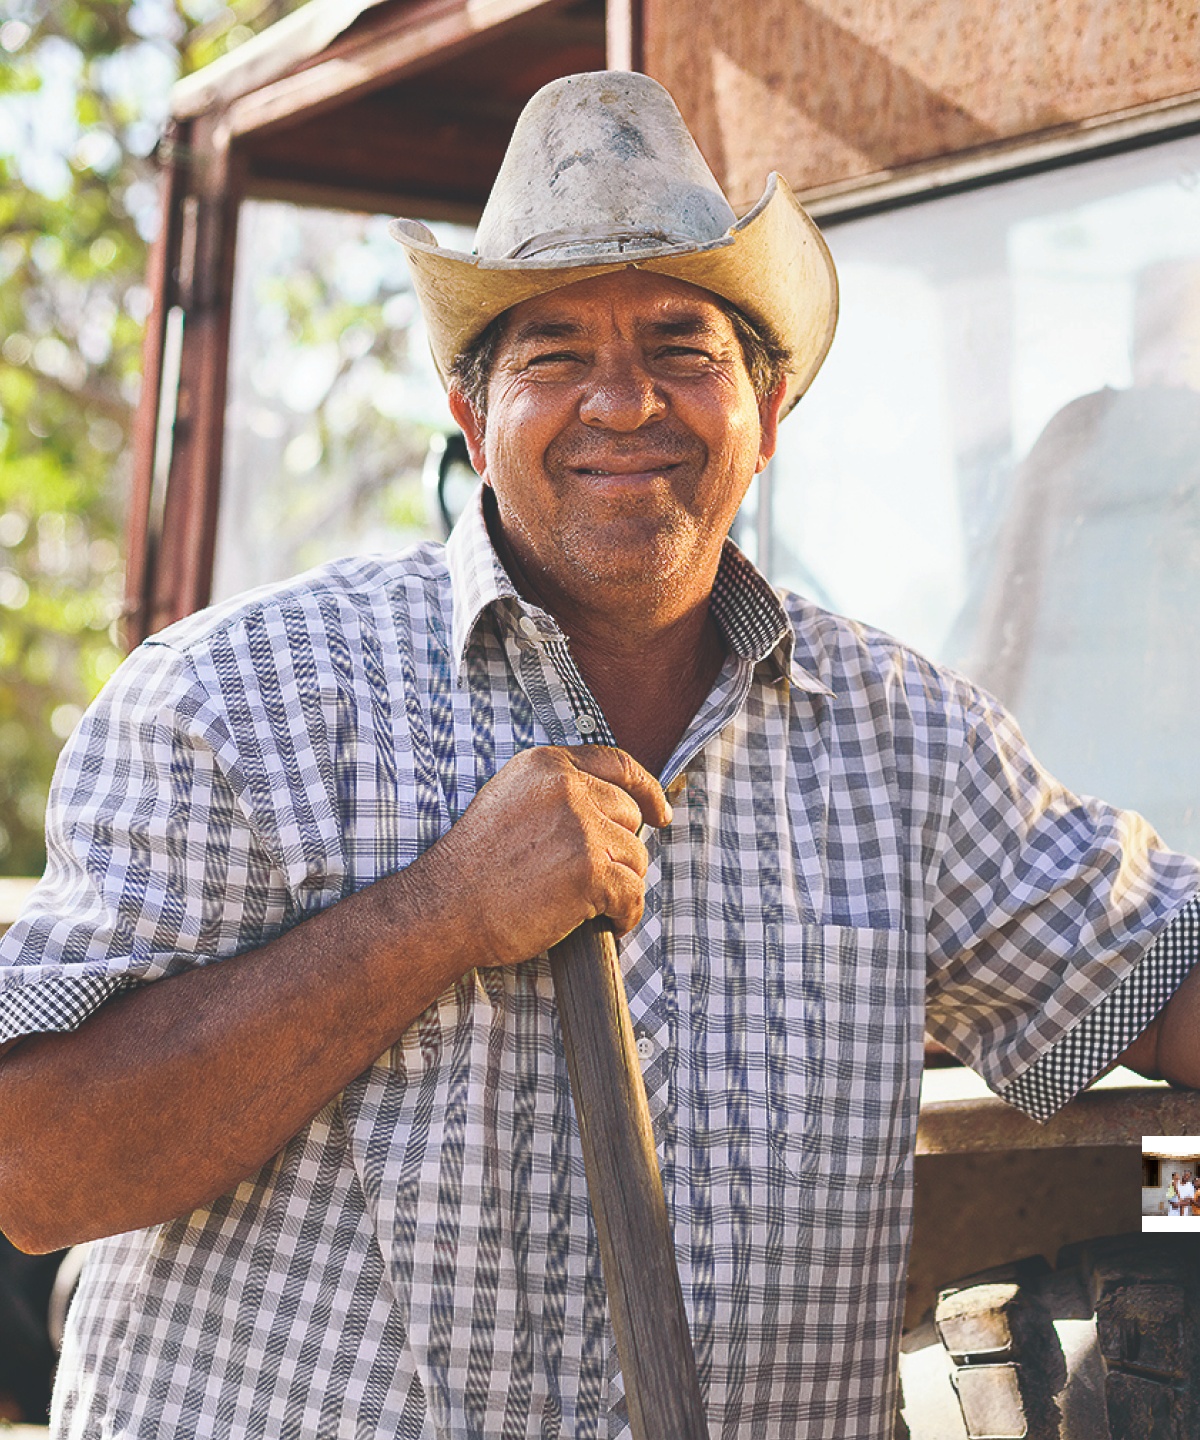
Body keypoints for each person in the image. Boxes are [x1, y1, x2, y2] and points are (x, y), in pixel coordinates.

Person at [1, 69, 1199, 1440]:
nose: (624, 403)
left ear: (767, 408)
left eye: (683, 350)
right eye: (554, 354)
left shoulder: (907, 745)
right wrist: (443, 912)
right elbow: (36, 1170)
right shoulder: (237, 700)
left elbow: (1160, 976)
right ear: (474, 420)